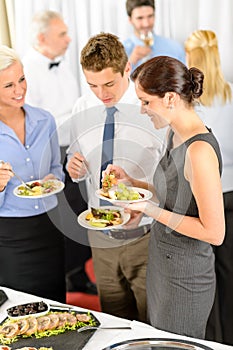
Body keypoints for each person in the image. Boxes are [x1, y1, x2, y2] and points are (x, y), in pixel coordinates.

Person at [103, 55, 225, 338]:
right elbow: (174, 193)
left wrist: (148, 208)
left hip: (186, 278)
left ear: (170, 98)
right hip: (162, 265)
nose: (143, 110)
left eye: (146, 102)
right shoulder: (174, 133)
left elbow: (215, 233)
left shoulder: (200, 151)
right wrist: (131, 182)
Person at [67, 33, 166, 322]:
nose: (101, 94)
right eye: (93, 85)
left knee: (152, 324)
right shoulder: (82, 107)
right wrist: (77, 170)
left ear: (127, 70)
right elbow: (79, 161)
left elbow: (171, 180)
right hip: (100, 237)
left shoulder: (152, 110)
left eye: (109, 84)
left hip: (145, 239)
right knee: (113, 321)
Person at [22, 10, 96, 295]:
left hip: (73, 148)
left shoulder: (63, 64)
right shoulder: (27, 70)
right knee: (64, 218)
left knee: (80, 212)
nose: (69, 39)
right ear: (42, 38)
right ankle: (66, 276)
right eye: (62, 34)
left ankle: (78, 274)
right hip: (51, 153)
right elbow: (37, 121)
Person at [0, 45, 66, 303]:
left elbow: (56, 169)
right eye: (8, 86)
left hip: (50, 227)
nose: (20, 90)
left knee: (57, 307)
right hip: (10, 237)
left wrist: (53, 181)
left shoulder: (45, 120)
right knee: (20, 311)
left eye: (22, 79)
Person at [185, 29, 233, 345]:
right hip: (232, 195)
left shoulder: (192, 108)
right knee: (229, 275)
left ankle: (210, 339)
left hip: (205, 199)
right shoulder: (231, 94)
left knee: (205, 276)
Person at [123, 0, 186, 71]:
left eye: (150, 16)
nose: (146, 24)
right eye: (140, 18)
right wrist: (131, 62)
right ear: (130, 20)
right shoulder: (120, 52)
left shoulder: (174, 48)